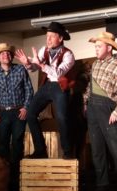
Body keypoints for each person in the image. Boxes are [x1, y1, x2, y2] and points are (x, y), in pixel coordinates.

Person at [15, 22, 75, 159]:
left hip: (60, 87)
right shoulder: (44, 50)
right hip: (47, 85)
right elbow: (34, 68)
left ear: (60, 38)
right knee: (30, 114)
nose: (47, 39)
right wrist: (28, 63)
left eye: (51, 36)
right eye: (47, 36)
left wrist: (40, 64)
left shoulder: (68, 55)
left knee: (62, 118)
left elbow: (58, 73)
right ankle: (40, 149)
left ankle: (67, 151)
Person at [83, 31, 117, 191]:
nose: (96, 49)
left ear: (109, 48)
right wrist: (86, 102)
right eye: (95, 46)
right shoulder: (95, 64)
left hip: (108, 109)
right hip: (93, 109)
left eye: (99, 46)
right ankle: (102, 184)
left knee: (116, 148)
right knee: (97, 150)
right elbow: (91, 86)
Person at [0, 43, 34, 190]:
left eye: (8, 53)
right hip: (3, 113)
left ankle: (16, 179)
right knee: (2, 143)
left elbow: (28, 89)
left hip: (18, 112)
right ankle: (2, 177)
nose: (6, 55)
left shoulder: (20, 69)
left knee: (17, 142)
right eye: (2, 54)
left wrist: (26, 107)